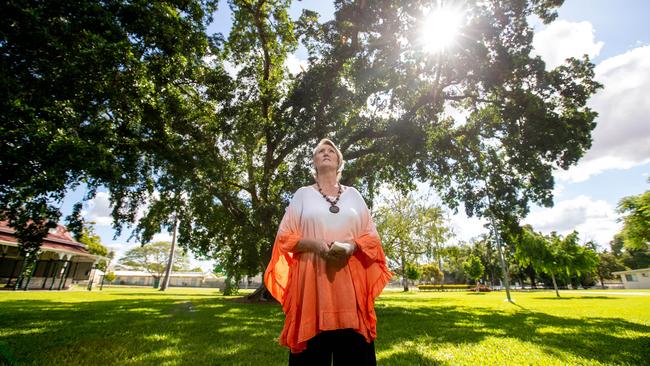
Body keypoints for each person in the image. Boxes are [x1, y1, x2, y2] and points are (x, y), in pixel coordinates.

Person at [264, 138, 392, 366]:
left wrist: (352, 247)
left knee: (355, 357)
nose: (325, 152)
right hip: (312, 287)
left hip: (349, 289)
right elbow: (284, 237)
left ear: (339, 162)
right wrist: (313, 244)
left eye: (330, 150)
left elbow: (371, 237)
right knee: (312, 359)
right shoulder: (302, 194)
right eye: (320, 151)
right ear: (314, 162)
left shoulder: (354, 195)